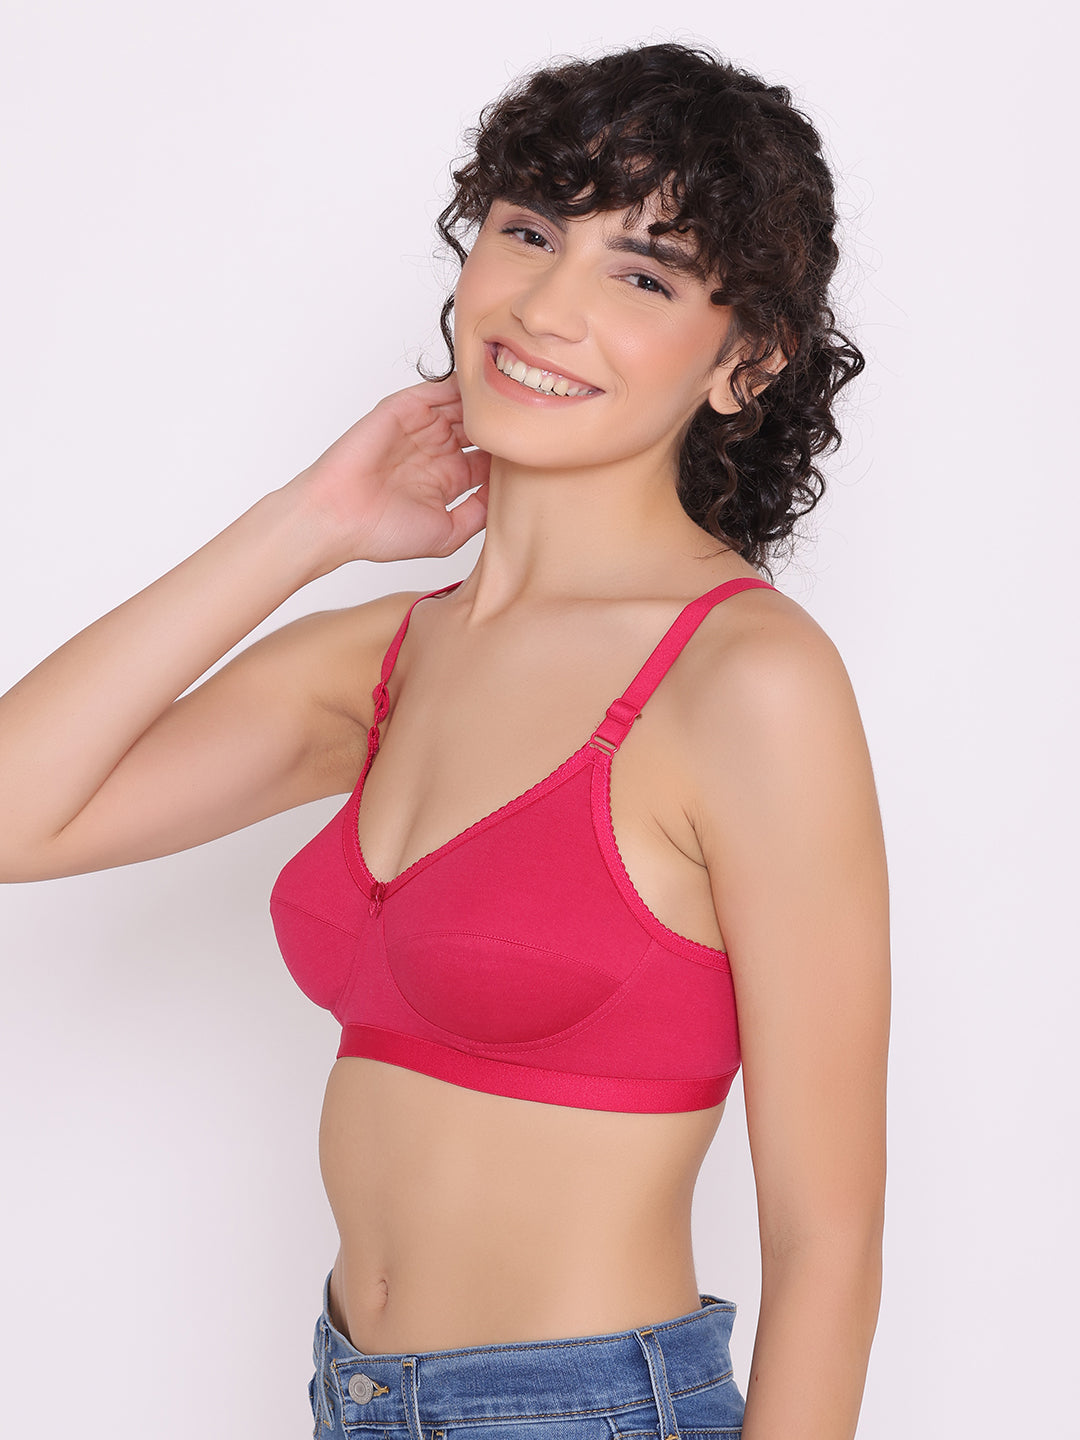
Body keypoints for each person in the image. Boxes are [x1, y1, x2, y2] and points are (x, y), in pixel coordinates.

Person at [0, 40, 889, 1440]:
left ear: (746, 362)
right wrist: (310, 524)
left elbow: (827, 1237)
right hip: (352, 1395)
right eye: (527, 232)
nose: (546, 306)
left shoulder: (746, 682)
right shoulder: (384, 661)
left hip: (592, 1411)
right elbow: (15, 816)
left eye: (644, 275)